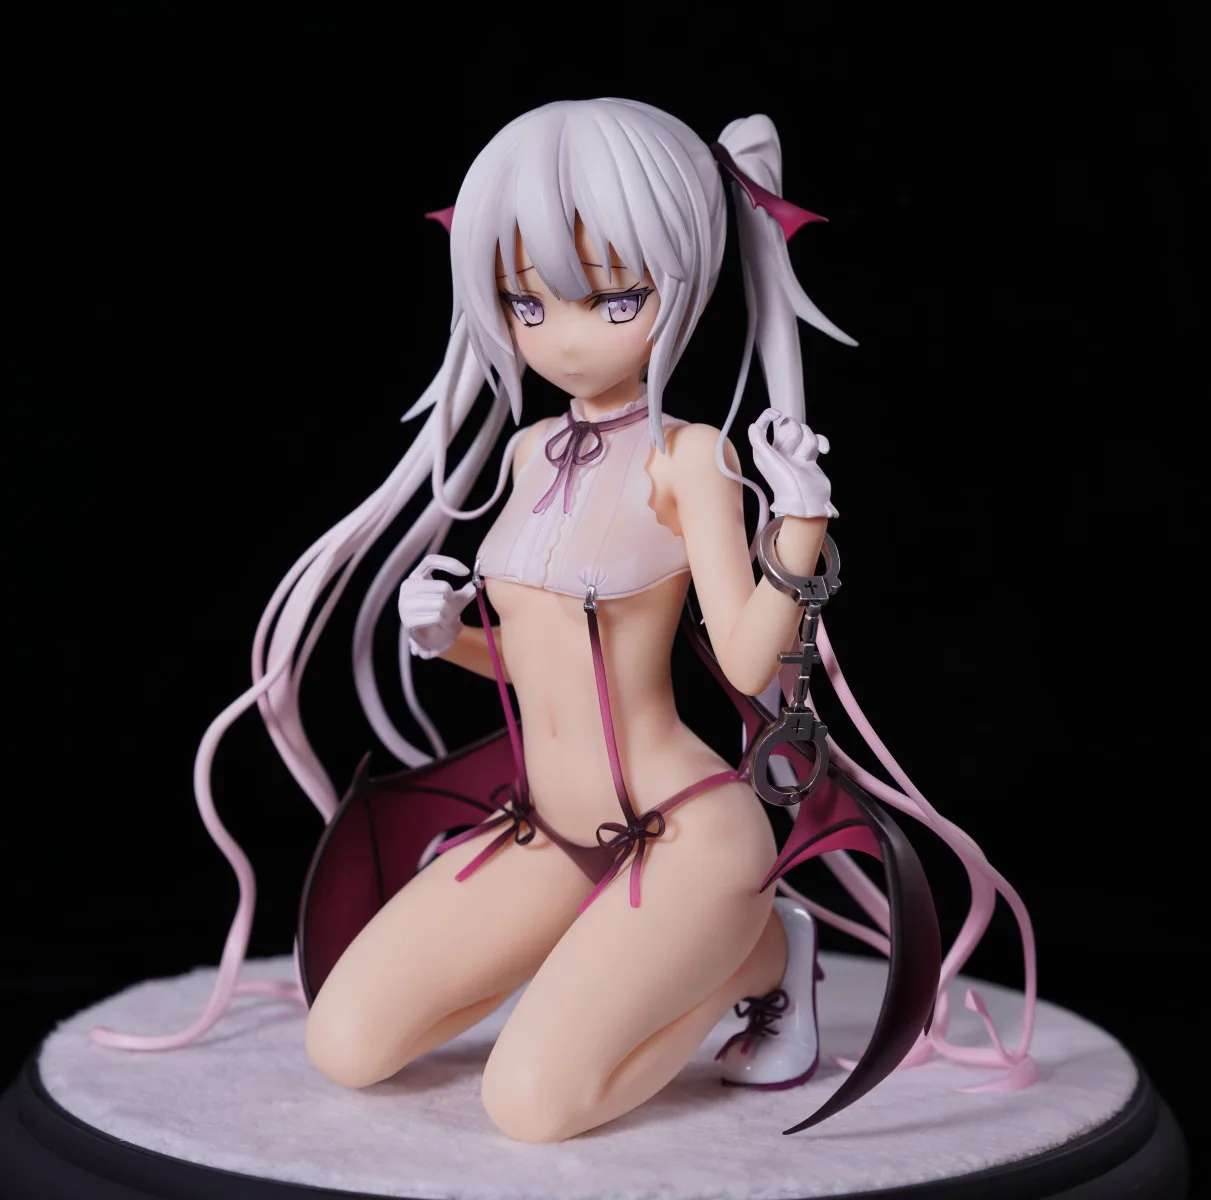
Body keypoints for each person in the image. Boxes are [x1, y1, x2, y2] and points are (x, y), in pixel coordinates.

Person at [93, 99, 1037, 1143]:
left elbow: (744, 659)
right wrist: (442, 636)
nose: (565, 336)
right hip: (540, 825)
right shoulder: (527, 451)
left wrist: (803, 522)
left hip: (681, 829)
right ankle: (663, 959)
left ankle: (760, 953)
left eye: (614, 298)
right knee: (346, 1043)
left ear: (681, 282)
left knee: (531, 1106)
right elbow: (535, 660)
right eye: (525, 302)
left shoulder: (690, 458)